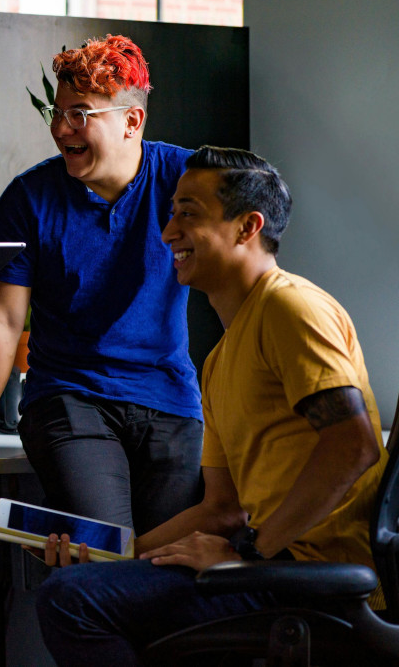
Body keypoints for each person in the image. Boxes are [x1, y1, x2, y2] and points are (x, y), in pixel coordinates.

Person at [33, 146, 388, 663]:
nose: (168, 232)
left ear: (248, 227)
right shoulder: (219, 360)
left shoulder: (290, 306)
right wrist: (110, 558)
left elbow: (352, 445)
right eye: (172, 212)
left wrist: (248, 553)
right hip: (272, 565)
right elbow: (222, 508)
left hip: (315, 581)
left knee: (73, 602)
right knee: (85, 586)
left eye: (188, 214)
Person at [0, 34, 203, 535]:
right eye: (58, 112)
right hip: (69, 397)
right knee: (107, 550)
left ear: (132, 121)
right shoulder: (30, 198)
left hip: (170, 398)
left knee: (166, 566)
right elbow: (3, 320)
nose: (60, 128)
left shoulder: (186, 179)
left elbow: (251, 240)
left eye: (80, 114)